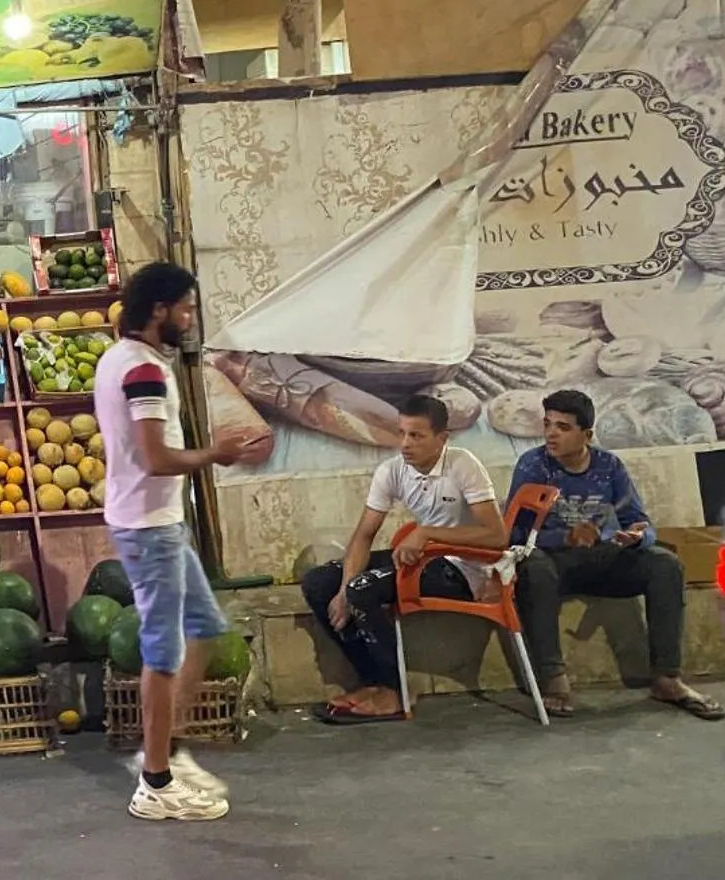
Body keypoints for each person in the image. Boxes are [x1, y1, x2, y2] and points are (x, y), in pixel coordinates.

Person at [96, 262, 269, 822]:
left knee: (205, 629)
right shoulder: (142, 371)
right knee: (164, 652)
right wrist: (214, 455)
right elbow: (156, 458)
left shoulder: (121, 360)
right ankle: (155, 780)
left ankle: (167, 748)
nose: (192, 319)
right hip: (149, 527)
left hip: (158, 521)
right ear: (159, 309)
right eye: (187, 308)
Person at [509, 388, 725, 721]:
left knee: (664, 564)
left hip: (601, 558)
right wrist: (564, 535)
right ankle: (554, 680)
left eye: (563, 427)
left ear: (587, 434)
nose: (551, 433)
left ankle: (667, 678)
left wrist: (636, 537)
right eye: (548, 424)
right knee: (534, 567)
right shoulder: (533, 465)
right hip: (554, 563)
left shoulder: (609, 466)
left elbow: (641, 522)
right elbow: (516, 535)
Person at [299, 393, 507, 724]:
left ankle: (395, 693)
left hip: (462, 570)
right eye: (402, 433)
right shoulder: (392, 471)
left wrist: (427, 534)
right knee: (319, 582)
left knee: (362, 590)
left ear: (442, 439)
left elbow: (497, 536)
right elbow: (364, 535)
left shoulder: (463, 464)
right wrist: (342, 588)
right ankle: (375, 683)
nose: (405, 444)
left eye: (417, 435)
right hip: (425, 562)